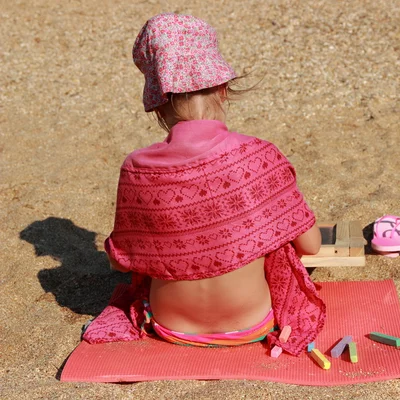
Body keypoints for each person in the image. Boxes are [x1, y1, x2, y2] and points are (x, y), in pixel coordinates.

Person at [83, 13, 326, 356]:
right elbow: (311, 246)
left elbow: (122, 261)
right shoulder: (258, 156)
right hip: (252, 322)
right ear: (223, 88)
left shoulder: (137, 168)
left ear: (157, 102)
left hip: (169, 324)